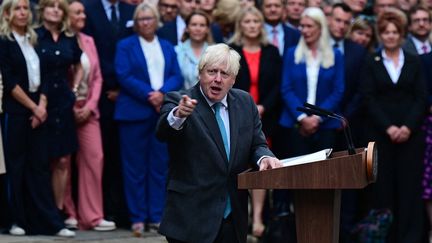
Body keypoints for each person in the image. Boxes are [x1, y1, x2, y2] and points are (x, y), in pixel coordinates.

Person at [156, 43, 282, 243]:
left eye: (224, 74)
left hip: (233, 217)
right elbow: (163, 130)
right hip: (191, 217)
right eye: (212, 71)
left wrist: (265, 157)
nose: (217, 79)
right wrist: (179, 115)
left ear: (233, 80)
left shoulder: (245, 103)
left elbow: (257, 144)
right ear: (200, 73)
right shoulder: (179, 100)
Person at [0, 0, 75, 237]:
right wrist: (34, 107)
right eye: (17, 9)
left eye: (25, 8)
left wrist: (41, 105)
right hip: (16, 109)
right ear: (7, 14)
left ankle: (48, 221)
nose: (23, 12)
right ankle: (14, 220)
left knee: (40, 166)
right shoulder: (4, 41)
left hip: (39, 108)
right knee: (16, 166)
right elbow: (10, 81)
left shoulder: (34, 39)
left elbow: (46, 72)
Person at [114, 2, 183, 236]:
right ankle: (137, 217)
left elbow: (176, 74)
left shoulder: (166, 45)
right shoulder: (125, 45)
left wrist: (162, 94)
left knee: (159, 167)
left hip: (160, 113)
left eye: (149, 18)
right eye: (141, 19)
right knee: (134, 168)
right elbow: (123, 74)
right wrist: (149, 95)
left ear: (156, 21)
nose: (145, 22)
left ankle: (155, 216)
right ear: (136, 23)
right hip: (134, 112)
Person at [360, 8, 426, 242]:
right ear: (380, 35)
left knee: (409, 188)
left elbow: (421, 96)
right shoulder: (371, 61)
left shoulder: (414, 61)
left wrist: (407, 127)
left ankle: (410, 236)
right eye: (386, 32)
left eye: (394, 32)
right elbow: (368, 98)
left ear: (401, 35)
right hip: (381, 134)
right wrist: (389, 127)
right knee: (383, 189)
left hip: (411, 135)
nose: (390, 36)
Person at [228, 6, 282, 238]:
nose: (251, 25)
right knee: (241, 163)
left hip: (265, 116)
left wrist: (263, 107)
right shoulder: (233, 51)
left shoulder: (271, 51)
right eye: (247, 21)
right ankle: (244, 214)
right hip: (238, 114)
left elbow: (278, 85)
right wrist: (248, 107)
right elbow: (229, 82)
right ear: (241, 25)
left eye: (255, 22)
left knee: (262, 164)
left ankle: (258, 218)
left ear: (261, 25)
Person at [62, 0, 116, 231]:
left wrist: (91, 104)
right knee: (63, 161)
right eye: (78, 12)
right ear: (67, 16)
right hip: (64, 109)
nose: (83, 15)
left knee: (95, 158)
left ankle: (92, 215)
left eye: (84, 11)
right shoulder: (60, 40)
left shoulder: (88, 40)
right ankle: (67, 212)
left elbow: (97, 78)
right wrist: (71, 105)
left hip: (89, 109)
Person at [82, 0, 135, 226]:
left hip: (128, 94)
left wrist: (122, 88)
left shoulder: (130, 11)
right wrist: (109, 86)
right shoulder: (88, 8)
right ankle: (101, 209)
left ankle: (120, 210)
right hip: (99, 94)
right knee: (99, 154)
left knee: (123, 155)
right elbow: (88, 52)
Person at [35, 0, 83, 216]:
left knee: (63, 159)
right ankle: (41, 212)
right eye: (50, 5)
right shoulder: (34, 36)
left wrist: (74, 87)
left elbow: (79, 64)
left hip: (63, 101)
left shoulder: (69, 38)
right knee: (41, 157)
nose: (55, 9)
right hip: (40, 101)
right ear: (42, 10)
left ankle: (58, 211)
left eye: (59, 7)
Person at [175, 10, 212, 90]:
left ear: (207, 29)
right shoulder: (176, 51)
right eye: (194, 24)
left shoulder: (214, 52)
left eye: (202, 25)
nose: (198, 29)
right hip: (182, 98)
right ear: (187, 28)